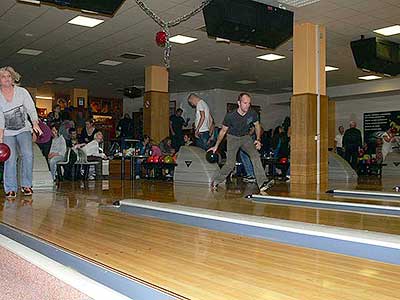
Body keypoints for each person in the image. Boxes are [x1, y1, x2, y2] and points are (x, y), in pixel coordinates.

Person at [208, 92, 271, 192]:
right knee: (230, 164)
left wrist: (258, 139)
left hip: (246, 137)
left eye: (249, 103)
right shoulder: (230, 116)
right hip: (232, 138)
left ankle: (262, 182)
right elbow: (223, 131)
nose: (247, 105)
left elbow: (257, 126)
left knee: (255, 156)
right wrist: (216, 146)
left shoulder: (252, 113)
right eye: (245, 103)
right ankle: (216, 180)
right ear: (239, 103)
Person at [0, 66, 43, 197]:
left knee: (28, 154)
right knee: (11, 158)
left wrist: (35, 123)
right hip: (7, 132)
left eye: (9, 76)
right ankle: (10, 189)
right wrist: (1, 138)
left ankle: (26, 185)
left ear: (13, 78)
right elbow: (0, 119)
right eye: (3, 76)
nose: (6, 79)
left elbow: (30, 109)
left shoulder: (22, 92)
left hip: (24, 129)